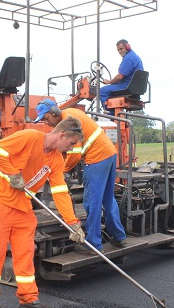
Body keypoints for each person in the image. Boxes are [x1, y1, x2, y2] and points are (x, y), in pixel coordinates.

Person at [0, 116, 86, 308]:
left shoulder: (56, 159)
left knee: (25, 254)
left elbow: (60, 191)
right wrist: (12, 174)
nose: (71, 149)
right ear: (62, 134)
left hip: (24, 208)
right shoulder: (30, 137)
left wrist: (73, 224)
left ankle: (28, 300)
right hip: (1, 204)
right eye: (71, 143)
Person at [33, 99, 127, 255]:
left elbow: (75, 155)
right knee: (107, 199)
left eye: (46, 118)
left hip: (97, 158)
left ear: (55, 113)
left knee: (92, 203)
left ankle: (93, 244)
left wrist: (59, 171)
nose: (47, 123)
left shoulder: (69, 121)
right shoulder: (71, 115)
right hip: (109, 154)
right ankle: (119, 236)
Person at [99, 39, 144, 114]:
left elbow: (120, 77)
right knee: (111, 88)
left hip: (127, 86)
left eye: (121, 49)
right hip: (134, 86)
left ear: (127, 47)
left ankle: (110, 116)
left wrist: (109, 82)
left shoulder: (128, 58)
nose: (120, 51)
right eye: (118, 50)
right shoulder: (134, 56)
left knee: (102, 91)